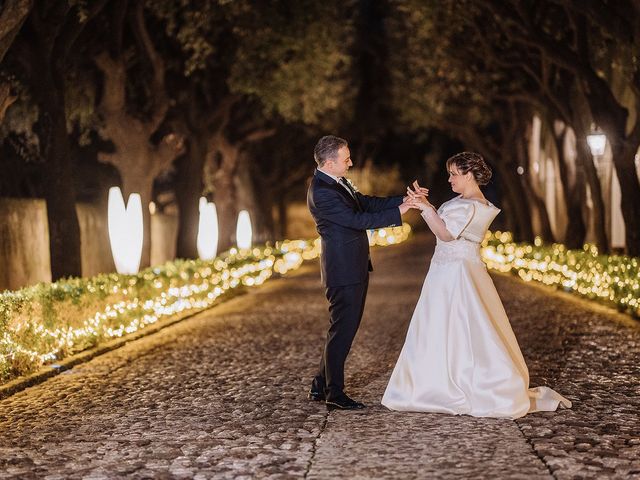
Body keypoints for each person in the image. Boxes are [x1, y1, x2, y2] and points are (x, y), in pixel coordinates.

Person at [382, 152, 572, 418]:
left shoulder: (473, 206)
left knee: (464, 327)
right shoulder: (462, 202)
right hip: (443, 271)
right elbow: (445, 226)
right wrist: (423, 205)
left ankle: (464, 386)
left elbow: (446, 234)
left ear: (469, 175)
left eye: (454, 174)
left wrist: (425, 207)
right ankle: (432, 383)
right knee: (438, 326)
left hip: (458, 276)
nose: (449, 179)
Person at [307, 135, 415, 411]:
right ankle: (335, 393)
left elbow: (365, 203)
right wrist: (400, 213)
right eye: (346, 159)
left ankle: (320, 385)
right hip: (342, 271)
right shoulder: (322, 191)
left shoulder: (336, 182)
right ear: (330, 163)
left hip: (352, 266)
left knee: (340, 328)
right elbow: (358, 221)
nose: (351, 162)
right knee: (343, 330)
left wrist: (403, 200)